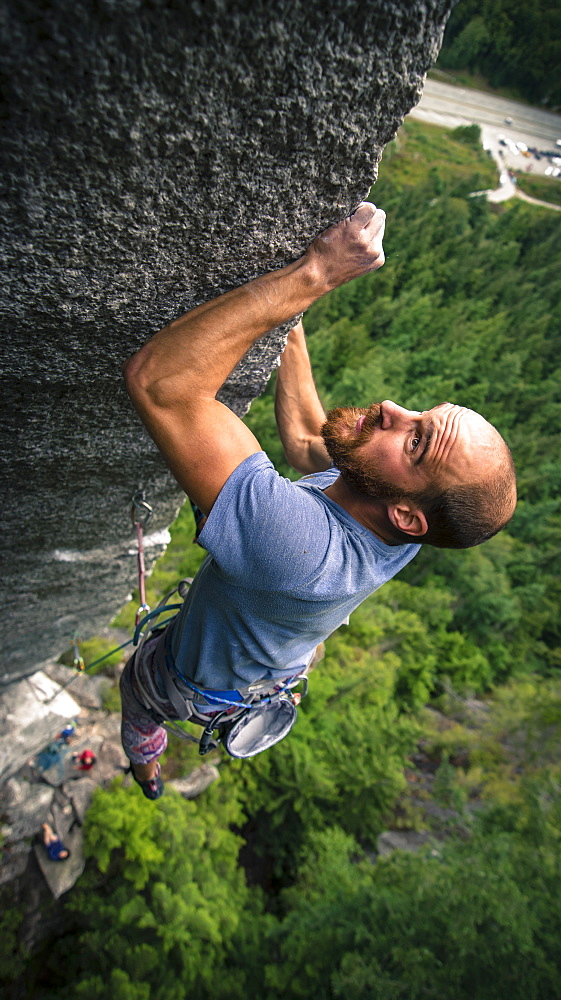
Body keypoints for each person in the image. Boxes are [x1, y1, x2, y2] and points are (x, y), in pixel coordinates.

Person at [120, 202, 516, 799]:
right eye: (420, 411)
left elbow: (162, 385)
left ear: (407, 514)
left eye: (414, 439)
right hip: (281, 666)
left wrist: (317, 273)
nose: (391, 407)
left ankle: (144, 764)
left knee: (137, 692)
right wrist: (286, 317)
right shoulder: (401, 518)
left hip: (192, 683)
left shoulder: (299, 547)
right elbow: (309, 445)